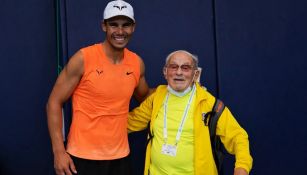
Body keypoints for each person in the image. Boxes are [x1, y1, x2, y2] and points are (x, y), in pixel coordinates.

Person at [46, 1, 151, 175]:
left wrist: (181, 87)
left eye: (126, 25)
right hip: (81, 157)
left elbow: (146, 97)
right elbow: (53, 103)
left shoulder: (136, 63)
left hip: (121, 158)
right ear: (104, 26)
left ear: (133, 28)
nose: (120, 31)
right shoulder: (83, 58)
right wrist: (58, 151)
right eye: (113, 25)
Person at [128, 50, 253, 175]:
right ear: (165, 72)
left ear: (195, 74)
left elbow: (238, 137)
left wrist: (241, 168)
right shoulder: (156, 98)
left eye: (186, 68)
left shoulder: (209, 104)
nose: (179, 72)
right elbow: (130, 123)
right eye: (173, 67)